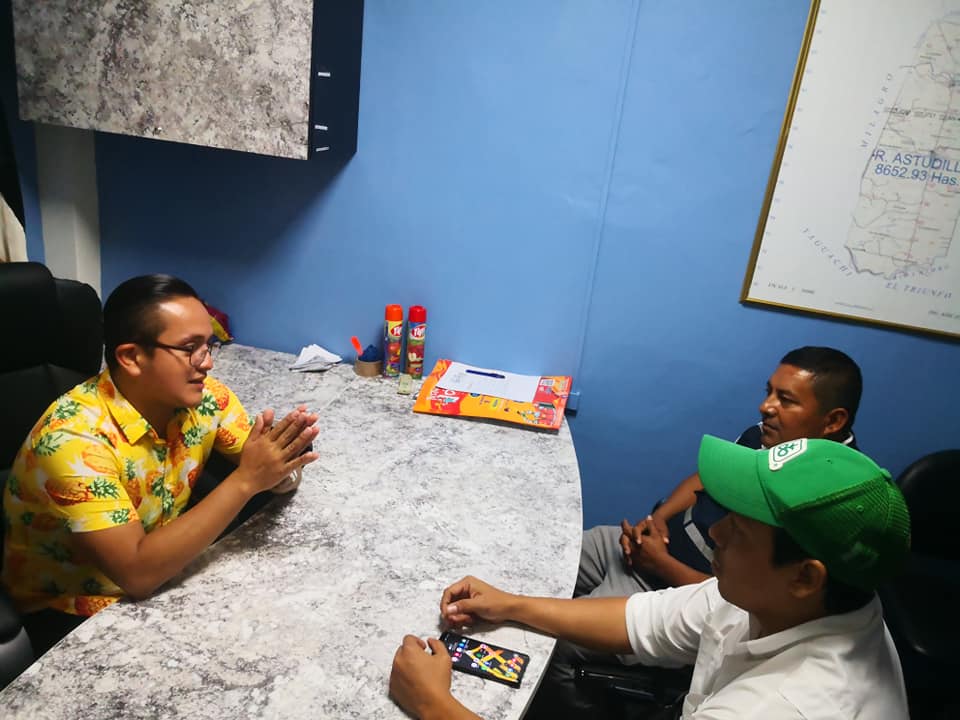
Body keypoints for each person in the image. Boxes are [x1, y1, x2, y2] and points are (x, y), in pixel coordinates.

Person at [389, 436, 911, 720]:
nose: (717, 532)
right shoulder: (784, 600)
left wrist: (435, 706)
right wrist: (510, 604)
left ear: (805, 577)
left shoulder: (788, 706)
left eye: (740, 530)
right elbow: (643, 620)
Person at [529, 346, 864, 715]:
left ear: (833, 421)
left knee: (558, 645)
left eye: (786, 400)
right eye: (769, 392)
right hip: (653, 552)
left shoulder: (827, 500)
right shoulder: (767, 438)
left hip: (672, 584)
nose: (766, 407)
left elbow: (744, 596)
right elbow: (706, 479)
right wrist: (657, 519)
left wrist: (659, 564)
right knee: (545, 560)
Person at [1, 274, 319, 656]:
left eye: (209, 344)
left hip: (165, 570)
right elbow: (137, 574)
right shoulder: (72, 442)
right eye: (190, 348)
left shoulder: (206, 398)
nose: (207, 362)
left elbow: (267, 463)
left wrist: (283, 467)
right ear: (132, 358)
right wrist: (248, 480)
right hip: (74, 610)